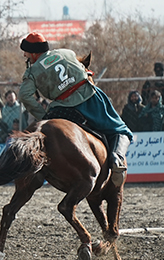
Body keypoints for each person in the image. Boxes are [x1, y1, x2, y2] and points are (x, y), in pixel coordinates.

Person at [19, 32, 132, 185]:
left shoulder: (32, 71)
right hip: (90, 98)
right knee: (120, 130)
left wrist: (43, 115)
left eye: (25, 53)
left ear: (33, 53)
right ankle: (117, 159)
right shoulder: (67, 52)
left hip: (62, 108)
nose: (25, 56)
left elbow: (24, 96)